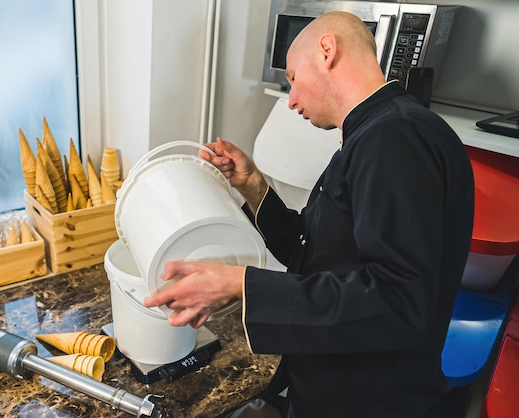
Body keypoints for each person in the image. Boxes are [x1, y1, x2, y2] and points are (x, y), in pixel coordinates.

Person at [144, 10, 474, 418]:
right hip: (333, 385)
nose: (292, 100)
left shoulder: (396, 137)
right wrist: (252, 185)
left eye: (293, 79)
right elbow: (316, 254)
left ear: (327, 50)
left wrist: (240, 283)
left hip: (370, 402)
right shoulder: (372, 134)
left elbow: (397, 301)